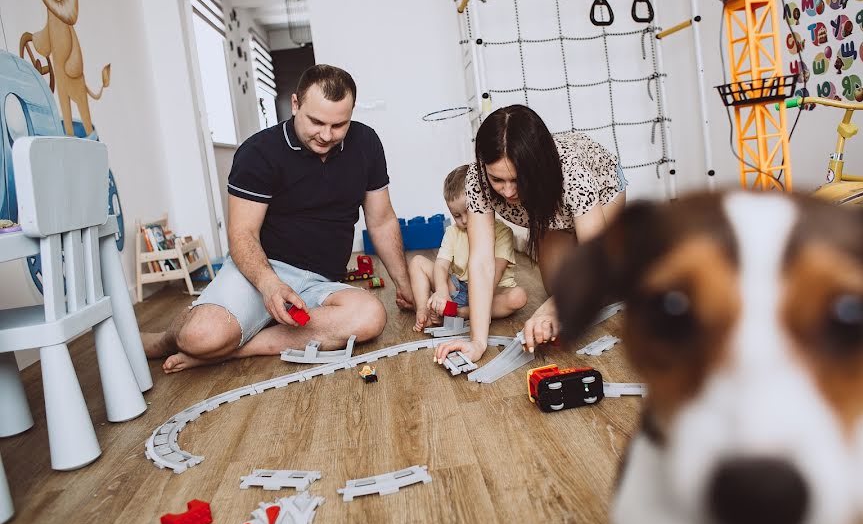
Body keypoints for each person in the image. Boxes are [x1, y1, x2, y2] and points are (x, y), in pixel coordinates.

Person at [142, 64, 414, 373]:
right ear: (295, 104)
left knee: (370, 317)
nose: (326, 135)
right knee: (201, 335)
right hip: (259, 274)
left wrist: (404, 284)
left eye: (339, 125)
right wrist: (269, 285)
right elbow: (242, 233)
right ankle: (167, 340)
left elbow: (381, 221)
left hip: (320, 284)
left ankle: (234, 350)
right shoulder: (258, 152)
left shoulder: (366, 143)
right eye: (316, 122)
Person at [434, 105, 626, 364]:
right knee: (556, 288)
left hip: (603, 192)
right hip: (551, 217)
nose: (509, 192)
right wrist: (477, 342)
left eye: (517, 180)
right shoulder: (476, 179)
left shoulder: (574, 174)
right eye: (498, 180)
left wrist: (546, 311)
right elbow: (481, 262)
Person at [408, 165, 527, 331]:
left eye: (468, 212)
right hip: (458, 288)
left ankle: (464, 313)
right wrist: (442, 290)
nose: (463, 220)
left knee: (518, 297)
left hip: (491, 292)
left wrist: (476, 302)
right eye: (456, 215)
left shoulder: (502, 233)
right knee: (417, 262)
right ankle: (422, 309)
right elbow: (441, 265)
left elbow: (494, 274)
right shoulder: (452, 232)